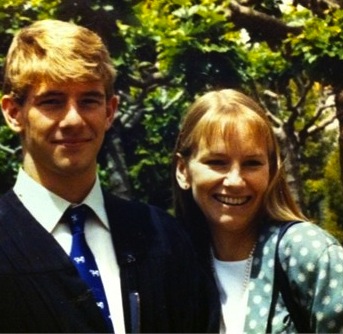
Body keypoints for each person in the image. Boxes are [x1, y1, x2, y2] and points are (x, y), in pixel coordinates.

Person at [0, 19, 219, 333]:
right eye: (52, 101)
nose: (74, 119)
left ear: (110, 110)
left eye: (88, 100)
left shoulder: (162, 237)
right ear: (13, 113)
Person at [172, 88, 343, 333]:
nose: (235, 180)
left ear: (271, 171)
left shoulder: (306, 252)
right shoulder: (174, 262)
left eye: (252, 163)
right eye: (217, 163)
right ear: (183, 170)